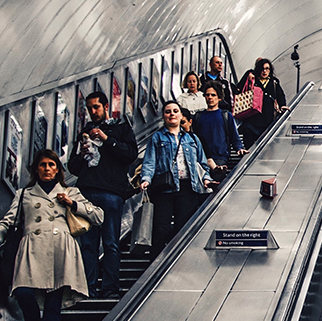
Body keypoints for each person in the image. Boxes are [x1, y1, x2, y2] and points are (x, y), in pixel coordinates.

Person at [0, 152, 102, 321]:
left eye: (51, 165)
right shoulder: (24, 194)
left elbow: (98, 215)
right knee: (24, 293)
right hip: (32, 249)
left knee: (53, 305)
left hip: (60, 251)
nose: (47, 169)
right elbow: (9, 221)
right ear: (36, 169)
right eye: (42, 165)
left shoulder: (70, 191)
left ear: (57, 169)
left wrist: (72, 203)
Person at [67, 89, 138, 300]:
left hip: (112, 193)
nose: (93, 112)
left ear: (106, 107)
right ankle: (89, 288)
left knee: (111, 243)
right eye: (89, 109)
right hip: (86, 192)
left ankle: (110, 287)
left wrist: (106, 139)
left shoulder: (121, 128)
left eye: (96, 107)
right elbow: (73, 167)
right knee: (88, 244)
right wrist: (81, 151)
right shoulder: (85, 132)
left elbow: (130, 155)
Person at [141, 100, 213, 257]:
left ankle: (180, 261)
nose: (171, 114)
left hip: (189, 188)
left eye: (175, 111)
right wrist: (146, 179)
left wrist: (206, 179)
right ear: (163, 117)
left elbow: (202, 164)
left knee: (184, 228)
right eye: (167, 112)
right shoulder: (157, 138)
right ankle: (156, 265)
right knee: (161, 229)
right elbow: (149, 162)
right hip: (164, 189)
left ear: (181, 116)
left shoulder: (192, 139)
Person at [194, 83, 246, 179]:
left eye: (213, 95)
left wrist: (239, 148)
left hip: (220, 158)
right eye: (207, 95)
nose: (210, 97)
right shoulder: (198, 116)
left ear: (219, 98)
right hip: (201, 159)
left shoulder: (226, 115)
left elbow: (234, 136)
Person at [234, 57, 287, 148]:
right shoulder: (252, 80)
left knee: (266, 144)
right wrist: (249, 77)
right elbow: (239, 88)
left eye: (267, 69)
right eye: (262, 69)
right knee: (248, 137)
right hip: (252, 117)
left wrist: (282, 106)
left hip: (267, 118)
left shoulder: (274, 82)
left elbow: (280, 95)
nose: (264, 71)